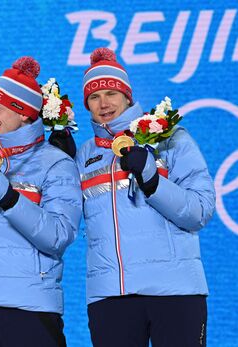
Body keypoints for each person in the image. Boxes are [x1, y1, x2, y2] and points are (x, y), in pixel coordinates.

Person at [74, 47, 215, 346]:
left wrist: (152, 181)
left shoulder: (170, 138)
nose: (103, 104)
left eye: (111, 93)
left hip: (175, 291)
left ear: (127, 95)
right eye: (94, 97)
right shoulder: (83, 155)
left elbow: (200, 211)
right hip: (111, 296)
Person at [0, 57, 82, 347]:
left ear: (23, 113)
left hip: (31, 309)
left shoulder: (56, 164)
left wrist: (8, 196)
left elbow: (59, 236)